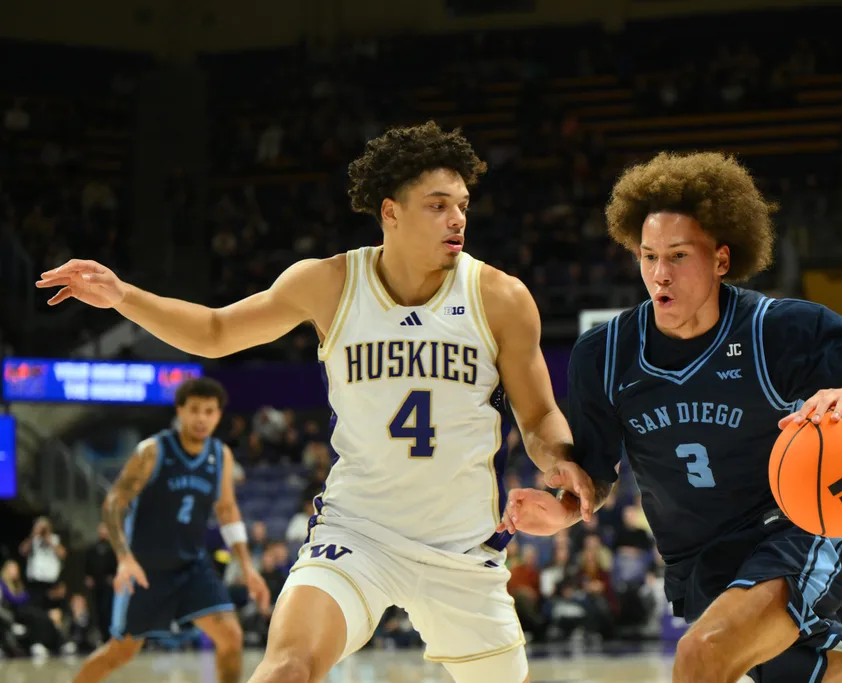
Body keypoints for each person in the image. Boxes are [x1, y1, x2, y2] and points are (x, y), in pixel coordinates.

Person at [37, 121, 594, 683]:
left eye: (463, 205)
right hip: (357, 532)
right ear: (390, 212)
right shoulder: (329, 283)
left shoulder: (499, 296)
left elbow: (539, 415)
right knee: (287, 668)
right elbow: (214, 331)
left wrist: (559, 463)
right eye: (438, 205)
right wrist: (122, 296)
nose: (458, 220)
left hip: (463, 546)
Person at [498, 151, 842, 683]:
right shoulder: (603, 354)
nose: (660, 273)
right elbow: (596, 478)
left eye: (679, 255)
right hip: (698, 567)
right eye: (648, 255)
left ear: (721, 261)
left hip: (792, 532)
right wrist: (564, 508)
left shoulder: (780, 330)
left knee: (701, 656)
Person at [70, 378, 271, 683]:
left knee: (231, 636)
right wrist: (123, 557)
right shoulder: (153, 452)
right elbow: (114, 502)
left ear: (218, 415)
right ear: (180, 411)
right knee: (121, 651)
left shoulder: (221, 456)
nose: (201, 418)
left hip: (191, 566)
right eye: (194, 410)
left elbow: (227, 510)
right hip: (146, 570)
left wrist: (246, 566)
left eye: (209, 411)